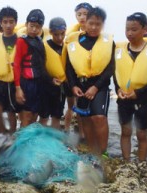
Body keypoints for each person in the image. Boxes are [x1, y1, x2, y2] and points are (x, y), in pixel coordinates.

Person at [114, 12, 147, 161]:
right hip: (123, 99)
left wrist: (139, 92)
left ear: (144, 29)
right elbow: (115, 74)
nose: (129, 33)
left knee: (142, 133)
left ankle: (141, 163)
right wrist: (118, 89)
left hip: (142, 100)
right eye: (127, 29)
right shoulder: (119, 49)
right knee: (125, 131)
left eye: (134, 29)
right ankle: (126, 161)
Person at [65, 7, 114, 156]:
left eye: (98, 24)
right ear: (85, 22)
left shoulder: (108, 42)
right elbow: (69, 67)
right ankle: (93, 152)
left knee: (99, 117)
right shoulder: (74, 41)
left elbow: (111, 68)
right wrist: (73, 85)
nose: (93, 27)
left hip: (100, 86)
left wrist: (95, 87)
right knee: (85, 119)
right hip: (80, 85)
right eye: (91, 23)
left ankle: (103, 152)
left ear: (103, 25)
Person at [14, 9, 49, 127]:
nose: (34, 29)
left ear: (41, 28)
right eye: (32, 26)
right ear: (26, 24)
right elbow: (17, 65)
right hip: (27, 84)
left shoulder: (39, 41)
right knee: (27, 114)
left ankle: (31, 140)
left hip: (39, 82)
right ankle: (23, 142)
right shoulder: (21, 41)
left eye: (38, 27)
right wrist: (18, 88)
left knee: (35, 114)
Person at [63, 2, 92, 136]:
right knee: (71, 106)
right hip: (73, 77)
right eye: (79, 14)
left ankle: (84, 133)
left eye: (85, 14)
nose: (82, 17)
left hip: (89, 77)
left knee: (86, 107)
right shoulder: (73, 35)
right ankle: (67, 131)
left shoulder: (96, 35)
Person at [0, 6, 20, 134]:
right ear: (0, 23)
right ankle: (2, 133)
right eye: (5, 22)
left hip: (14, 81)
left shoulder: (21, 40)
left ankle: (12, 135)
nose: (8, 25)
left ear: (15, 22)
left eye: (11, 22)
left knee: (11, 111)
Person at [38, 17, 67, 130]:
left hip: (61, 88)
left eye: (62, 34)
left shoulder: (68, 47)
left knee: (56, 116)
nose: (60, 37)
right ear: (50, 32)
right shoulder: (43, 46)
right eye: (56, 34)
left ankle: (54, 141)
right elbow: (40, 67)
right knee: (44, 116)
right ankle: (40, 140)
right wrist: (50, 80)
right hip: (46, 86)